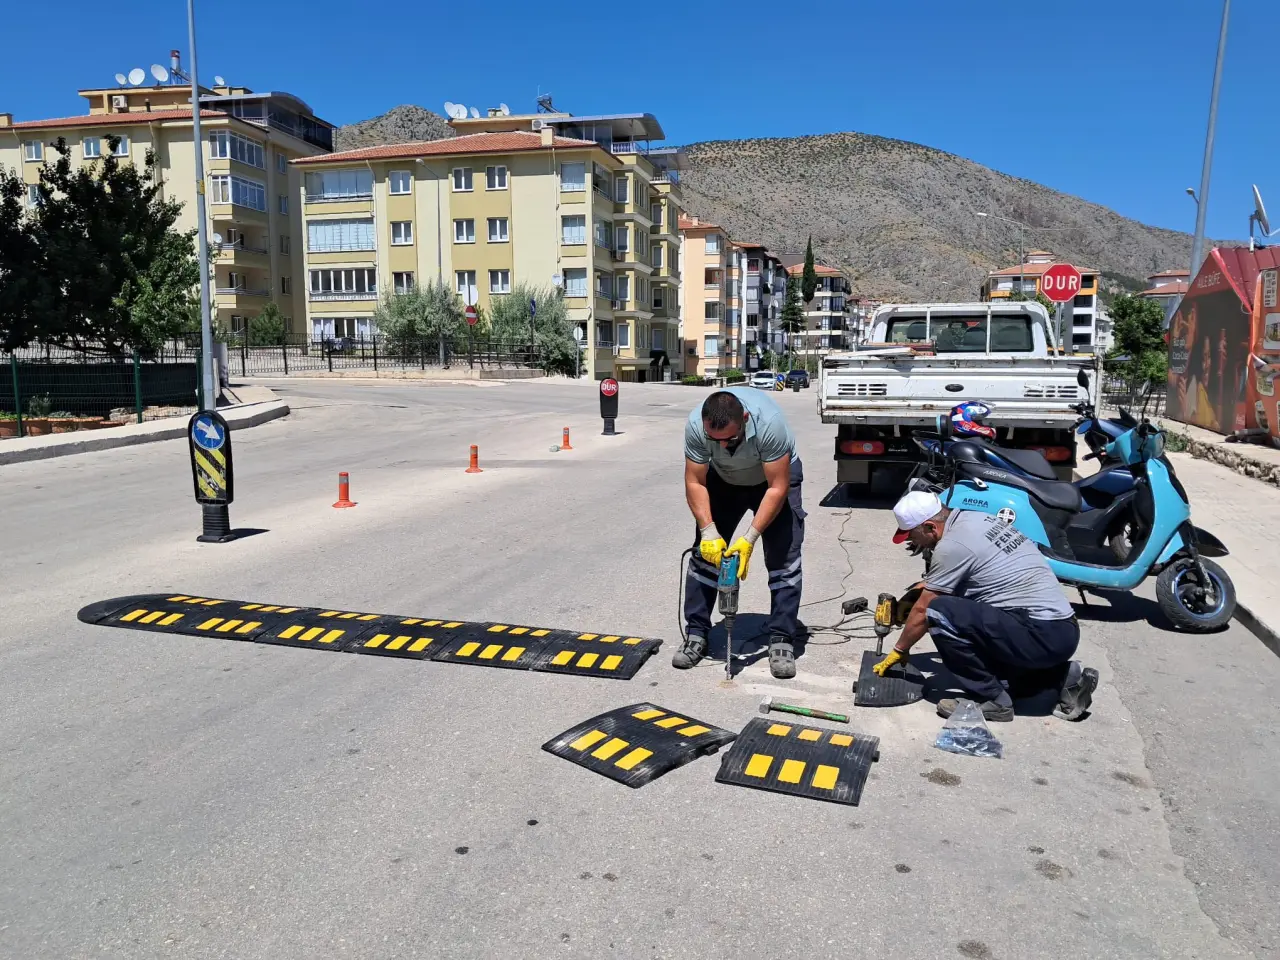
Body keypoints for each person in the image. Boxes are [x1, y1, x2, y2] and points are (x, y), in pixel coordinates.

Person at [874, 490, 1098, 722]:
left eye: (912, 535)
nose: (911, 542)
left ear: (931, 527)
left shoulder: (952, 546)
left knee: (939, 612)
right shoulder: (975, 519)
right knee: (998, 667)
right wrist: (916, 594)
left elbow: (925, 609)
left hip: (1038, 634)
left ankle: (994, 701)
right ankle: (1062, 678)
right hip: (1062, 630)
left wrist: (900, 650)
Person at [675, 388, 805, 679]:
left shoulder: (770, 424)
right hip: (723, 479)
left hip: (770, 479)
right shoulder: (697, 426)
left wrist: (749, 539)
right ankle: (696, 632)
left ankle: (782, 637)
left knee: (784, 557)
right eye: (714, 440)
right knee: (705, 556)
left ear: (745, 419)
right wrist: (708, 530)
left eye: (730, 438)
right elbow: (695, 481)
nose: (722, 445)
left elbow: (777, 487)